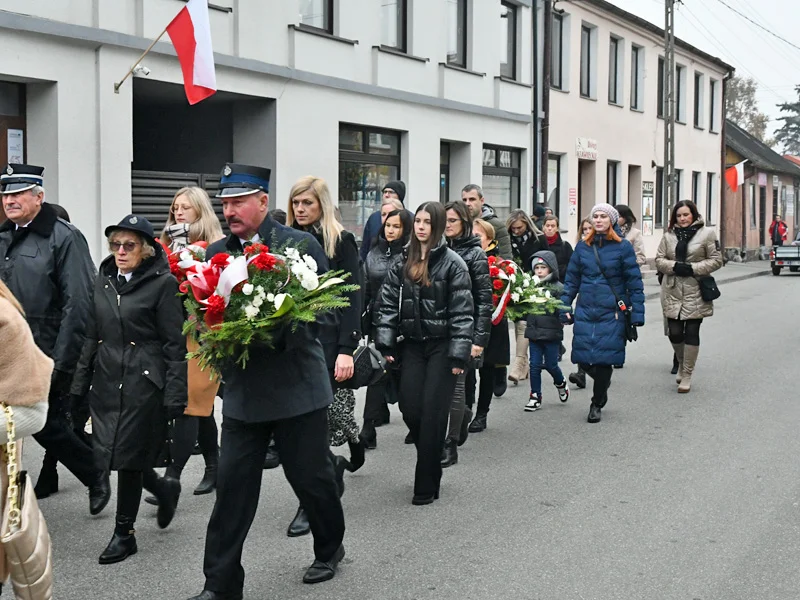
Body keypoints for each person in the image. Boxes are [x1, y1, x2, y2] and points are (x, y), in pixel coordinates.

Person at [188, 164, 345, 600]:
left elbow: (324, 312)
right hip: (243, 394)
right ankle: (220, 585)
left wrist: (268, 330)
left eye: (239, 201)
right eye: (225, 202)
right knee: (233, 494)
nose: (230, 209)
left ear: (262, 201)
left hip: (297, 389)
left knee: (311, 481)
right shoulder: (215, 252)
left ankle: (330, 546)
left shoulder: (298, 245)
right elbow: (202, 312)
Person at [71, 215, 187, 564]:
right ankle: (163, 488)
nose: (120, 252)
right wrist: (78, 384)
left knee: (130, 456)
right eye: (115, 245)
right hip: (107, 378)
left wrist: (175, 394)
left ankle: (125, 533)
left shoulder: (163, 285)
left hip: (144, 380)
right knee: (113, 451)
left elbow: (174, 345)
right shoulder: (102, 282)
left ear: (146, 250)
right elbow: (92, 335)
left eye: (129, 245)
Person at [0, 163, 110, 514]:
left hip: (46, 352)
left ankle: (101, 475)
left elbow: (78, 304)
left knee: (46, 426)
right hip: (9, 351)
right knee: (47, 426)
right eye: (6, 194)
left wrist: (63, 362)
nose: (10, 200)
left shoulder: (64, 237)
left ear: (39, 196)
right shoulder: (3, 238)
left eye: (18, 193)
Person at [374, 201, 473, 505]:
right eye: (417, 220)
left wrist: (459, 355)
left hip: (442, 347)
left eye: (427, 222)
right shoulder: (403, 259)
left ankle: (426, 483)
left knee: (431, 413)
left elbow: (463, 312)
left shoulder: (453, 263)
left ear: (439, 226)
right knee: (409, 408)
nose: (420, 226)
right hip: (412, 345)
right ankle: (431, 455)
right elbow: (387, 304)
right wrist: (386, 344)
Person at [286, 175, 364, 537]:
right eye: (296, 204)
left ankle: (311, 500)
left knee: (317, 427)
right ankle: (333, 466)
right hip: (294, 344)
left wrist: (348, 349)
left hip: (330, 343)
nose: (301, 210)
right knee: (301, 428)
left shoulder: (341, 240)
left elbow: (352, 296)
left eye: (308, 204)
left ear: (322, 205)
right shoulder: (284, 239)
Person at [154, 187, 225, 499]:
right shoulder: (163, 246)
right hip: (171, 336)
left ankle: (171, 479)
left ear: (200, 211)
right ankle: (215, 467)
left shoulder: (214, 248)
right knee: (201, 409)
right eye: (175, 207)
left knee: (190, 405)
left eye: (185, 207)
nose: (178, 212)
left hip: (202, 335)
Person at [561, 204, 644, 423]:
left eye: (603, 217)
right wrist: (564, 305)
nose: (598, 220)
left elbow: (634, 282)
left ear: (612, 221)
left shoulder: (623, 247)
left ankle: (597, 402)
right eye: (595, 216)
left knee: (605, 358)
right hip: (586, 307)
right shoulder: (582, 247)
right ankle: (602, 387)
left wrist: (637, 313)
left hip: (613, 310)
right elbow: (571, 280)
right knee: (583, 357)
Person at [441, 201, 491, 468]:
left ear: (464, 223)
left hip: (464, 328)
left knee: (457, 386)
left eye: (452, 221)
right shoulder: (435, 251)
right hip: (437, 328)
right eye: (445, 220)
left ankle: (449, 444)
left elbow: (484, 300)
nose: (447, 225)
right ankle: (461, 417)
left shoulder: (475, 254)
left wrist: (478, 340)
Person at [655, 200, 722, 394]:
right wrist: (674, 266)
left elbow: (717, 260)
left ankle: (687, 374)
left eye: (686, 214)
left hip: (696, 289)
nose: (683, 219)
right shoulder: (668, 236)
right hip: (672, 288)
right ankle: (683, 362)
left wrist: (693, 268)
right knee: (675, 332)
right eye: (679, 216)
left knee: (692, 331)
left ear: (693, 214)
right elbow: (659, 260)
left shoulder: (707, 234)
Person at [360, 208, 412, 449]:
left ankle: (415, 423)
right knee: (376, 374)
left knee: (406, 381)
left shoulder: (412, 254)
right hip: (379, 322)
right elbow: (366, 290)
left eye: (397, 226)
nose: (390, 230)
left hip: (406, 326)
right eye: (388, 225)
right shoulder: (373, 253)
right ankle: (368, 430)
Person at [466, 219, 510, 433]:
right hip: (467, 321)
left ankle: (482, 413)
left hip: (491, 322)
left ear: (490, 240)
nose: (475, 240)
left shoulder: (499, 265)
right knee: (465, 370)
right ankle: (465, 408)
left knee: (487, 369)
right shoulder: (462, 257)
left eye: (479, 236)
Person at [506, 209, 548, 385]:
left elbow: (547, 260)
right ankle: (523, 365)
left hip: (533, 285)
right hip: (513, 284)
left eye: (519, 228)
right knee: (518, 323)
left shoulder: (539, 239)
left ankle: (519, 363)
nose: (516, 231)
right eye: (513, 228)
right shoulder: (507, 239)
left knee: (524, 323)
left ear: (527, 224)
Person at [524, 251, 569, 411]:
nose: (539, 271)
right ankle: (535, 395)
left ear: (551, 268)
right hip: (534, 333)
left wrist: (566, 315)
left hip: (551, 334)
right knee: (534, 366)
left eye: (543, 267)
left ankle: (560, 382)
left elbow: (564, 306)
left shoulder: (558, 288)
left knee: (551, 365)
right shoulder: (529, 286)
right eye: (536, 267)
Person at [568, 218, 594, 390]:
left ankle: (599, 371)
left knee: (596, 338)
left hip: (603, 301)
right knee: (582, 337)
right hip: (584, 300)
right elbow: (573, 276)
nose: (586, 231)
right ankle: (581, 373)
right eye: (584, 229)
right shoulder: (579, 248)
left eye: (589, 228)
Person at [461, 184, 512, 259]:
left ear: (482, 201)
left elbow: (506, 258)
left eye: (472, 199)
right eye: (464, 200)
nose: (467, 204)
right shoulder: (458, 224)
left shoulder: (496, 225)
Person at [360, 181, 407, 261]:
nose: (386, 195)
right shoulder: (374, 218)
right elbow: (365, 247)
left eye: (391, 192)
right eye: (385, 192)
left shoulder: (410, 218)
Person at [541, 216, 573, 283]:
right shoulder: (538, 244)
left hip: (561, 283)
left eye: (553, 226)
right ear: (543, 227)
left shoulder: (565, 246)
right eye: (547, 226)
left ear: (557, 228)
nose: (550, 228)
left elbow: (572, 266)